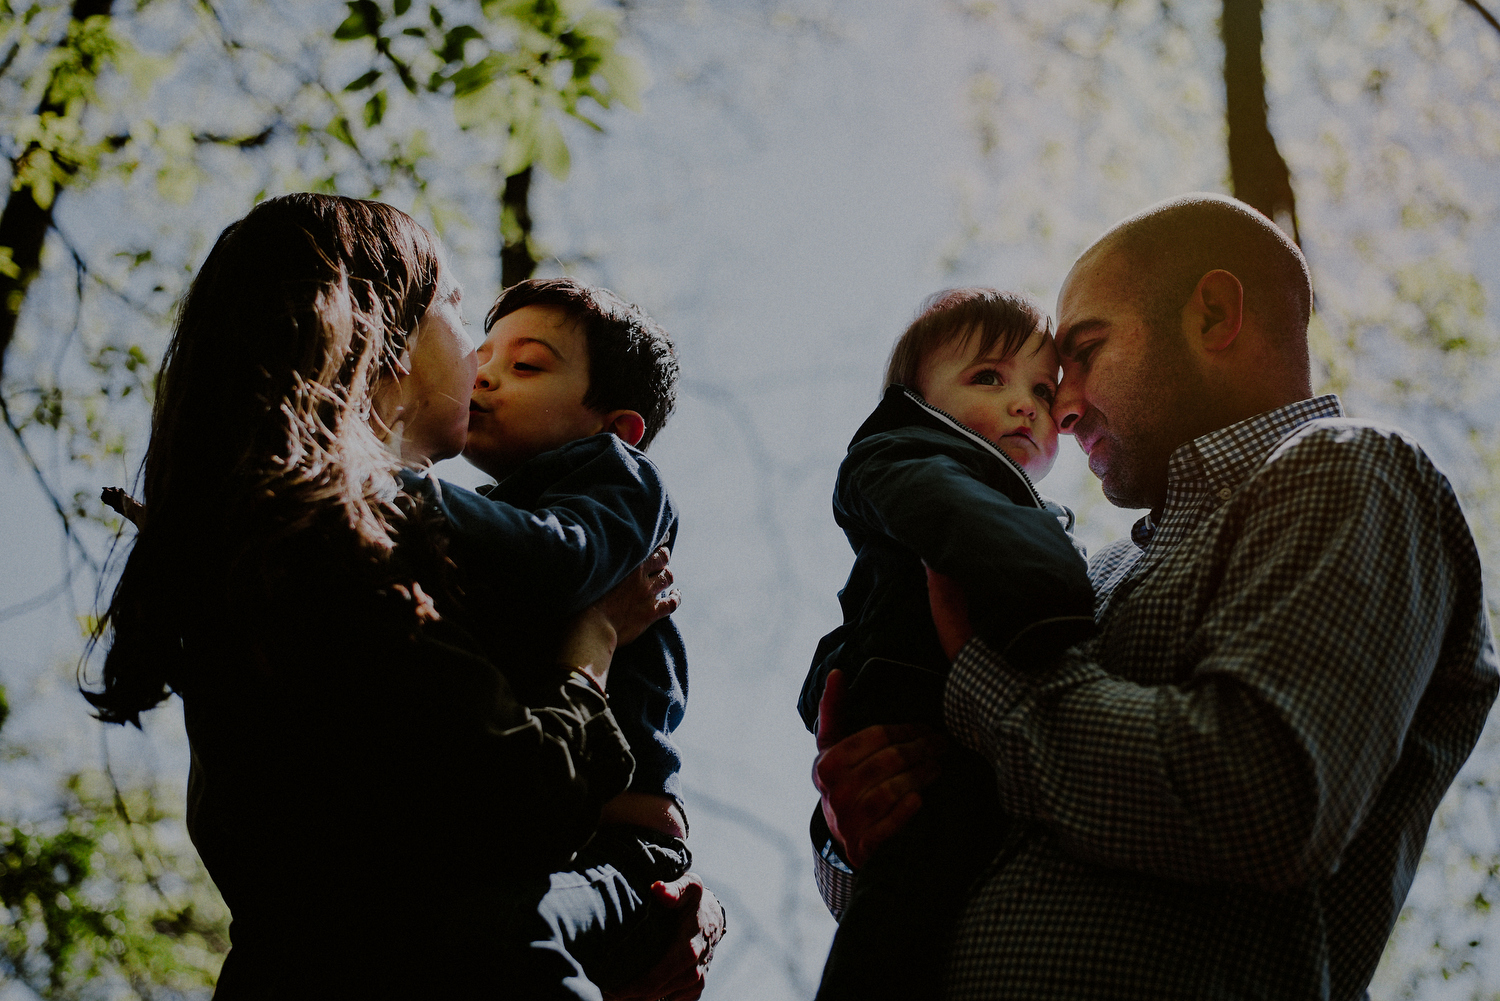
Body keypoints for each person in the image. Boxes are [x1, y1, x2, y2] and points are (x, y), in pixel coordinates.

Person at [811, 193, 1499, 999]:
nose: (1059, 411)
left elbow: (1262, 799)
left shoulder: (1352, 472)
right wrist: (856, 827)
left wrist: (985, 680)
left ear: (1212, 312)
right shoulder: (1088, 576)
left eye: (1087, 353)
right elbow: (962, 849)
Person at [84, 193, 722, 999]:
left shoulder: (313, 555)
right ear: (382, 337)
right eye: (457, 309)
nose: (480, 360)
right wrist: (593, 641)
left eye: (522, 361)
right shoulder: (332, 557)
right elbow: (516, 800)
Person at [797, 288, 1094, 999]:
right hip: (923, 741)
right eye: (988, 378)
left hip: (975, 754)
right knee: (897, 922)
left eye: (1042, 390)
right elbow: (961, 524)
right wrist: (1046, 593)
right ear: (919, 400)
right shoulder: (908, 457)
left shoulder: (1021, 509)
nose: (1026, 404)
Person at [454, 276, 695, 990]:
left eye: (526, 365)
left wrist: (385, 493)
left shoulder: (617, 477)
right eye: (482, 356)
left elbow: (559, 561)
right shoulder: (488, 513)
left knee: (510, 930)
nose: (486, 374)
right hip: (544, 828)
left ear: (615, 425)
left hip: (624, 854)